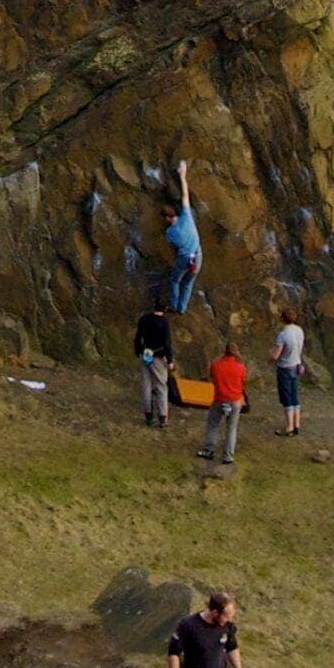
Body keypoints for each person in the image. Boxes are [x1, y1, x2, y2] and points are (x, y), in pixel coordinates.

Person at [198, 336, 247, 465]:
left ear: (224, 351)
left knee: (213, 425)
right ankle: (228, 456)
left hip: (219, 399)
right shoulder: (241, 368)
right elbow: (243, 382)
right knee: (231, 428)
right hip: (235, 400)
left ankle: (208, 450)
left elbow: (212, 377)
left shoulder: (216, 365)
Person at [162, 159, 202, 313]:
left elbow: (172, 245)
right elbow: (185, 195)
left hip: (184, 258)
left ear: (167, 219)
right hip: (197, 255)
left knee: (175, 280)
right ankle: (182, 308)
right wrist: (182, 175)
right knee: (188, 283)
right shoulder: (186, 215)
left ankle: (173, 305)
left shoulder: (169, 232)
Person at [135, 299, 177, 430]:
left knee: (146, 385)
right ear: (165, 309)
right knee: (161, 386)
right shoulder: (164, 323)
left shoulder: (144, 319)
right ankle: (163, 417)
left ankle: (148, 415)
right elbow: (167, 344)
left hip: (145, 354)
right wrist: (170, 361)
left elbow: (137, 337)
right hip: (158, 356)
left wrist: (139, 351)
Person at [270, 313, 309, 436]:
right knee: (294, 395)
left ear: (282, 319)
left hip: (285, 367)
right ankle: (296, 425)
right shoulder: (299, 330)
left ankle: (289, 427)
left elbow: (276, 355)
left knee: (286, 397)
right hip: (297, 365)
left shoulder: (283, 335)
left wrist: (270, 354)